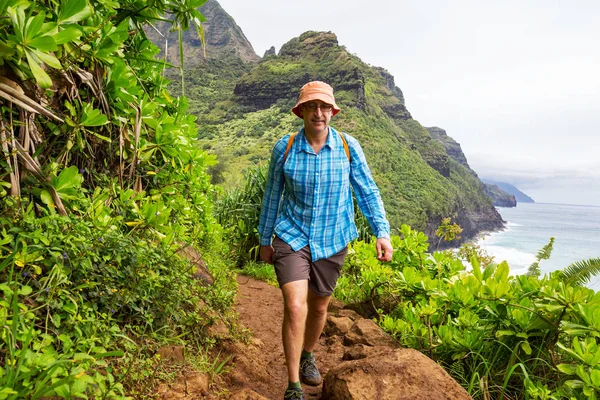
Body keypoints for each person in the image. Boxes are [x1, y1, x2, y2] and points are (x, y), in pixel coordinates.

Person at [258, 81, 393, 400]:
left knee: (319, 307)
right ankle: (293, 386)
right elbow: (272, 194)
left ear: (332, 111)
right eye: (311, 106)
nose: (318, 113)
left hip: (333, 238)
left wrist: (382, 232)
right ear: (301, 111)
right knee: (294, 304)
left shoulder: (348, 147)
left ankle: (307, 354)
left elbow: (367, 191)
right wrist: (265, 239)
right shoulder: (286, 147)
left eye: (324, 107)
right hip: (291, 234)